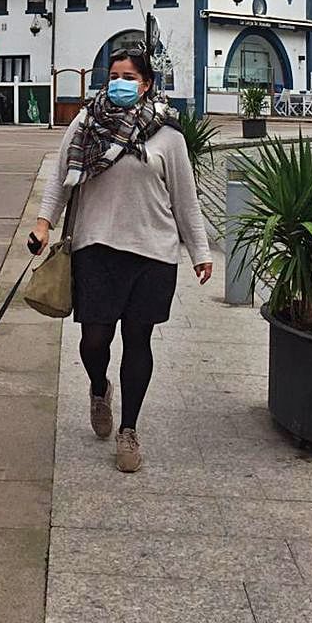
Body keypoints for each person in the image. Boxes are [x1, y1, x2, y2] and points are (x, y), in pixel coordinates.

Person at [32, 48, 212, 473]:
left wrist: (200, 251)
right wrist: (43, 225)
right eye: (114, 74)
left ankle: (129, 429)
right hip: (95, 247)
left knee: (138, 341)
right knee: (94, 340)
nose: (120, 82)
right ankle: (99, 387)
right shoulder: (84, 124)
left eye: (129, 75)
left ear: (146, 83)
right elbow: (60, 180)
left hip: (153, 253)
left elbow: (186, 201)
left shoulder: (169, 137)